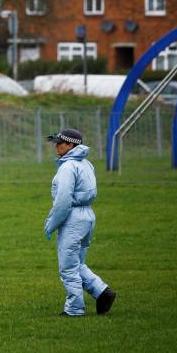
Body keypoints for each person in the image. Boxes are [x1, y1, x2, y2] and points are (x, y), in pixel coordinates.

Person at [44, 128, 117, 317]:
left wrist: (51, 223)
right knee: (77, 263)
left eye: (60, 143)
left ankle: (74, 309)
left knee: (68, 267)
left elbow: (63, 201)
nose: (56, 146)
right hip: (88, 217)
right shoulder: (86, 164)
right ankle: (103, 292)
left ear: (71, 145)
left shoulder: (68, 167)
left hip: (72, 218)